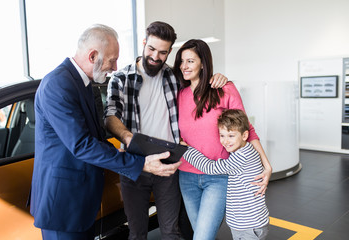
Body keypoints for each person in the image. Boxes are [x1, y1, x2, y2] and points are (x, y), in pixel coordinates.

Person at [30, 24, 181, 240]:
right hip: (62, 203)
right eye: (112, 59)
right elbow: (82, 144)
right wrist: (140, 162)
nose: (115, 66)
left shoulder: (82, 83)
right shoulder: (58, 85)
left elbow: (96, 138)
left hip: (79, 203)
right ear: (93, 56)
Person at [104, 21, 228, 240]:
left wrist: (216, 78)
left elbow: (197, 80)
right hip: (135, 165)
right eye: (151, 49)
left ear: (169, 52)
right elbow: (110, 115)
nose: (155, 56)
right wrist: (128, 138)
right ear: (144, 43)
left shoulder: (173, 76)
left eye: (163, 52)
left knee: (171, 231)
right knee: (137, 232)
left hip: (169, 166)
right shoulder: (121, 78)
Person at [172, 39, 272, 240]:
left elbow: (246, 128)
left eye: (190, 61)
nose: (184, 66)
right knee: (201, 234)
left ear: (203, 63)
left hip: (217, 176)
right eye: (182, 61)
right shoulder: (178, 94)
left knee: (202, 237)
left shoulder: (224, 89)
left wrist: (266, 163)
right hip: (187, 176)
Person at [182, 109, 269, 240]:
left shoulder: (242, 157)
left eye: (231, 136)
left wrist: (185, 150)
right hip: (246, 225)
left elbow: (210, 167)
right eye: (222, 135)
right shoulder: (246, 150)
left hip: (250, 227)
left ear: (244, 136)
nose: (225, 141)